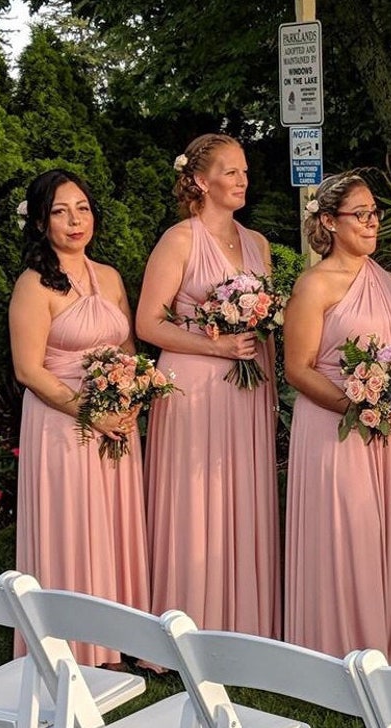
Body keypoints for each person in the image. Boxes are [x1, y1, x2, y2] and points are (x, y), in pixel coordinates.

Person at [135, 133, 280, 637]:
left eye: (244, 171)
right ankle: (188, 622)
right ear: (200, 181)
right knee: (196, 496)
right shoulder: (180, 239)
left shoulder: (257, 242)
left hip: (248, 383)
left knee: (243, 491)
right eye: (231, 172)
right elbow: (149, 324)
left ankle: (245, 621)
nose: (243, 180)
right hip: (195, 382)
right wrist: (216, 346)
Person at [9, 169, 150, 666]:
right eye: (60, 211)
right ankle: (74, 644)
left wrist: (130, 396)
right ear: (42, 222)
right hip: (62, 421)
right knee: (72, 523)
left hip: (117, 420)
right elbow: (28, 369)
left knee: (113, 523)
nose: (75, 220)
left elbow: (128, 348)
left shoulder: (109, 277)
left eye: (83, 208)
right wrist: (91, 413)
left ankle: (121, 638)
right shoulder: (33, 285)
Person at [284, 172, 391, 663]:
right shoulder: (314, 285)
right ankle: (334, 650)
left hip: (387, 433)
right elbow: (296, 368)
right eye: (358, 214)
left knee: (383, 533)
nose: (370, 222)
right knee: (345, 536)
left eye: (374, 213)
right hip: (333, 429)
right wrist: (356, 407)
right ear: (328, 221)